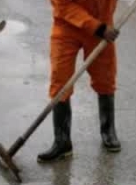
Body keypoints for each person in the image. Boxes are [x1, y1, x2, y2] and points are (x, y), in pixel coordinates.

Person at [38, 0, 121, 163]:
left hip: (103, 25)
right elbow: (62, 4)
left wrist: (102, 27)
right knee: (60, 82)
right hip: (67, 26)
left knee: (105, 79)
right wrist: (98, 28)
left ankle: (108, 131)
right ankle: (62, 142)